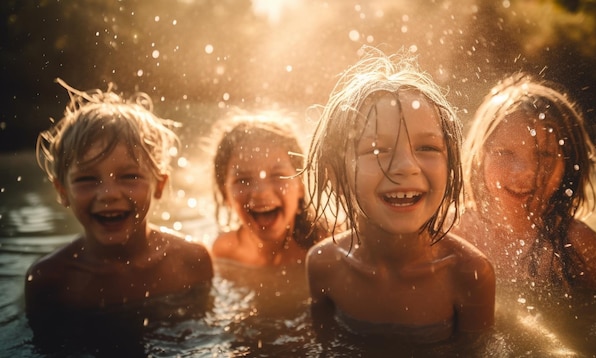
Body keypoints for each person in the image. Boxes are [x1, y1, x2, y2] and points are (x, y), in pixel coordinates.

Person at [304, 47, 495, 342]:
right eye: (377, 150)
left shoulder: (469, 274)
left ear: (451, 165)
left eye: (427, 148)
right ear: (334, 175)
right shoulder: (323, 265)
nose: (406, 167)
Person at [24, 79, 214, 332]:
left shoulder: (191, 260)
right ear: (62, 191)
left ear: (159, 184)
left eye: (130, 176)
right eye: (87, 179)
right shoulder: (51, 281)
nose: (108, 194)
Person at [455, 73, 596, 292]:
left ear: (570, 164)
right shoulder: (454, 229)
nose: (525, 171)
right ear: (480, 157)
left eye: (544, 155)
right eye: (504, 152)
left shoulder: (579, 246)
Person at [206, 112, 329, 267]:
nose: (260, 192)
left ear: (301, 185)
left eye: (278, 175)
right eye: (243, 180)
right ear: (226, 195)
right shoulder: (225, 252)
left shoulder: (329, 246)